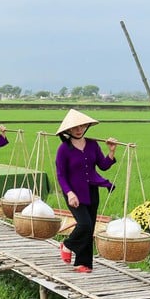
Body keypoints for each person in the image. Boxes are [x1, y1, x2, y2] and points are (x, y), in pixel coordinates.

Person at [54, 109, 117, 273]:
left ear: (86, 126)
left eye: (81, 126)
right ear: (68, 130)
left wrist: (111, 151)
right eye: (75, 127)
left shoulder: (92, 145)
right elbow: (61, 175)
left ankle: (83, 264)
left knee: (89, 228)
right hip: (74, 194)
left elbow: (103, 165)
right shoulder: (64, 149)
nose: (78, 129)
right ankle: (67, 245)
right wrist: (69, 193)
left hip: (92, 191)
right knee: (84, 223)